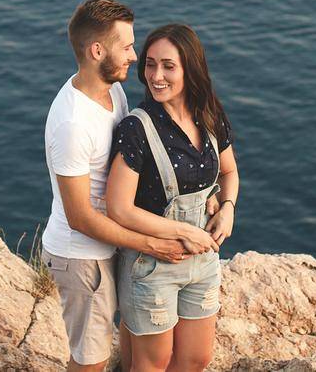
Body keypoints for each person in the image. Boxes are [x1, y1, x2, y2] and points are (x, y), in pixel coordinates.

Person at [43, 0, 201, 372]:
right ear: (97, 51)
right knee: (91, 361)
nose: (135, 56)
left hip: (114, 242)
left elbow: (136, 161)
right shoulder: (72, 123)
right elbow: (79, 217)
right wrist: (152, 244)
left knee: (131, 334)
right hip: (82, 256)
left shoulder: (113, 91)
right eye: (126, 46)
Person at [106, 24, 239, 372]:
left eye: (168, 66)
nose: (156, 76)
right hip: (152, 266)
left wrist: (227, 207)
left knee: (196, 360)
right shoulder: (137, 128)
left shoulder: (209, 116)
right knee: (152, 364)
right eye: (150, 65)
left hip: (204, 262)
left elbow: (229, 172)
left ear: (190, 69)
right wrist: (183, 232)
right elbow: (118, 208)